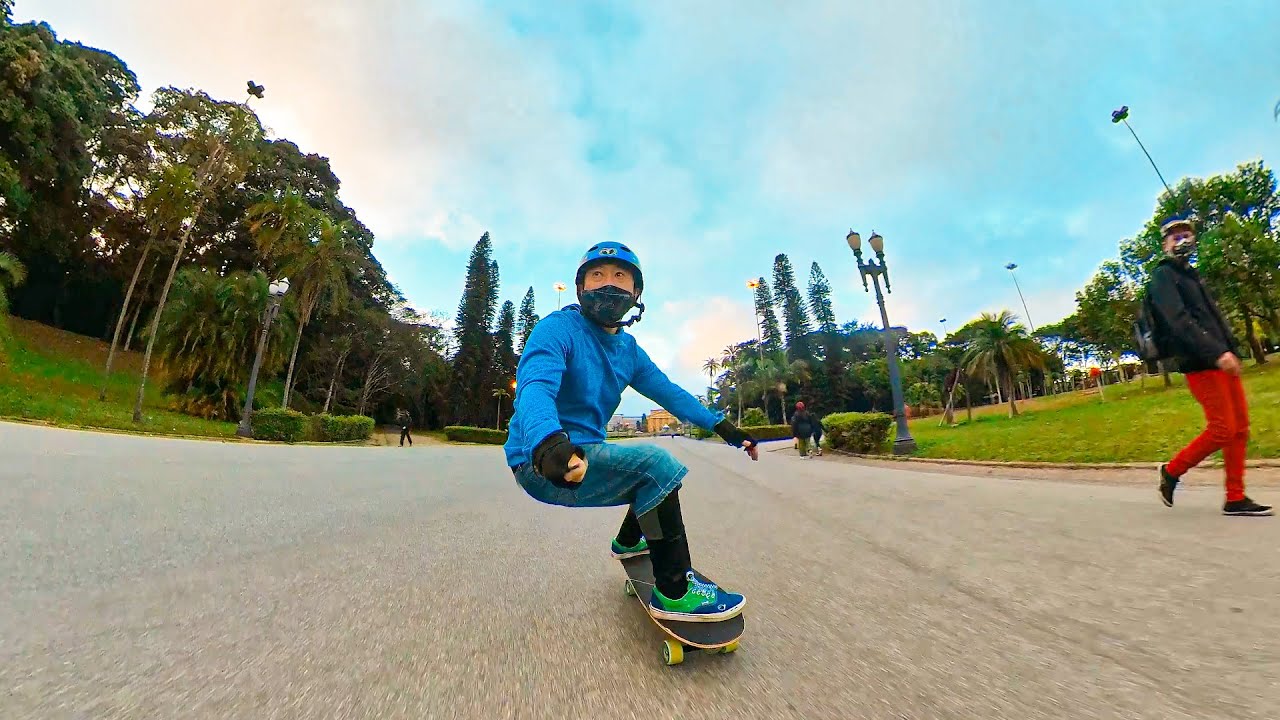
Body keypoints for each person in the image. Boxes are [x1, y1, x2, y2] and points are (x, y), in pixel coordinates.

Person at [504, 241, 761, 621]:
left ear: (636, 293)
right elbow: (535, 387)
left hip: (585, 455)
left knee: (647, 475)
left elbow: (670, 393)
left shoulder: (629, 351)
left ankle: (628, 541)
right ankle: (674, 594)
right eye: (597, 275)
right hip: (542, 461)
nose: (608, 284)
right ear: (580, 288)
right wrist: (548, 443)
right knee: (656, 465)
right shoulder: (557, 329)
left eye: (620, 276)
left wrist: (726, 428)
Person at [1150, 213, 1271, 517]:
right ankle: (1171, 471)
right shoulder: (1163, 276)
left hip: (1222, 358)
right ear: (1165, 243)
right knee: (1222, 429)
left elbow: (1212, 318)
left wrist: (1231, 350)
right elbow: (1179, 322)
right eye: (1175, 236)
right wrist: (1216, 352)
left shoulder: (1193, 275)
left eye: (1186, 234)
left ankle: (1235, 497)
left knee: (1239, 429)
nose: (1182, 240)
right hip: (1200, 362)